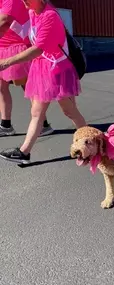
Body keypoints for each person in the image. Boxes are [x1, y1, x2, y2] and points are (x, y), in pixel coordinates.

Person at [0, 0, 86, 164]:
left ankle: (93, 143)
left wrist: (6, 62)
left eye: (26, 1)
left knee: (70, 111)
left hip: (58, 71)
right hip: (43, 68)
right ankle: (24, 152)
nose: (23, 4)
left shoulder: (50, 16)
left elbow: (38, 48)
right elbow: (26, 35)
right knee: (37, 113)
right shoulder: (33, 12)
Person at [0, 0, 53, 137]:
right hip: (4, 47)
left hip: (16, 47)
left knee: (29, 87)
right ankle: (6, 125)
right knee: (1, 86)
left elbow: (5, 19)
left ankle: (43, 124)